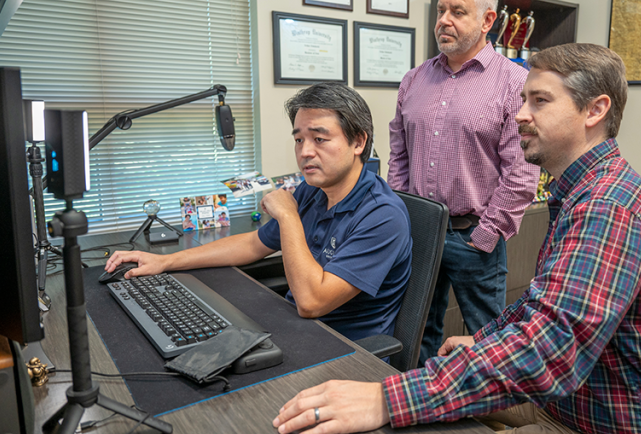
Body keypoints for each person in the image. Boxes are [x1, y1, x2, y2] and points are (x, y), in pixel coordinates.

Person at [274, 43, 641, 434]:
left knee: (428, 431)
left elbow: (547, 354)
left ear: (595, 110)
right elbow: (543, 305)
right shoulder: (583, 192)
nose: (519, 115)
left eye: (539, 101)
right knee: (425, 406)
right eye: (523, 100)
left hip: (629, 425)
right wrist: (483, 339)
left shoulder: (610, 209)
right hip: (578, 395)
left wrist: (385, 399)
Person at [105, 82, 412, 342]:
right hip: (297, 328)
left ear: (358, 141)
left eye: (319, 139)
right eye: (299, 139)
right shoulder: (314, 190)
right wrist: (166, 261)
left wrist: (288, 215)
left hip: (342, 348)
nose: (305, 151)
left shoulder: (383, 216)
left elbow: (311, 302)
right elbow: (253, 243)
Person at [387, 0, 539, 364]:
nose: (444, 20)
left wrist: (485, 237)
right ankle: (417, 404)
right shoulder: (414, 80)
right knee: (416, 329)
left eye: (458, 11)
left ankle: (491, 423)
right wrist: (403, 215)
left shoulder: (513, 82)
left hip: (474, 236)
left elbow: (521, 173)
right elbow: (399, 154)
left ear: (488, 20)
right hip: (419, 231)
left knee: (489, 340)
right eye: (441, 9)